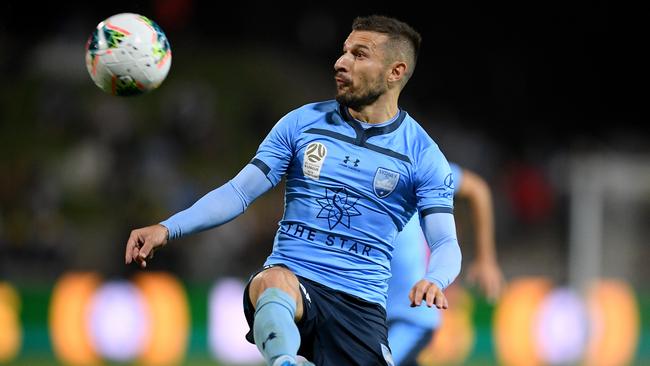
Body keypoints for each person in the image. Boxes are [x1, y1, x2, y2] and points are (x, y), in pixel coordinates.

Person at [125, 15, 462, 366]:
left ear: (395, 72)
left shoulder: (422, 154)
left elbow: (443, 242)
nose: (341, 62)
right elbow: (238, 193)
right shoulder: (301, 124)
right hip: (295, 285)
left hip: (359, 309)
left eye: (359, 55)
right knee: (271, 282)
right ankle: (286, 360)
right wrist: (168, 227)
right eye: (343, 52)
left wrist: (435, 278)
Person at [387, 162, 505, 365]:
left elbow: (477, 189)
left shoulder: (418, 163)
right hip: (370, 311)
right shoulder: (350, 160)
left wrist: (486, 259)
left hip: (410, 317)